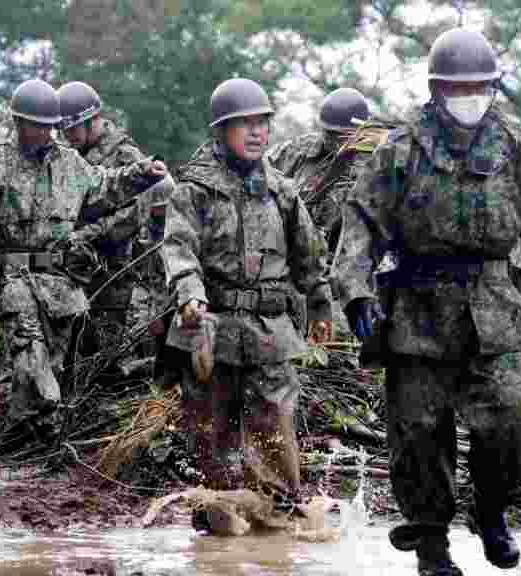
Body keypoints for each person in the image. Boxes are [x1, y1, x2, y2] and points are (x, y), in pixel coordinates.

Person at [331, 28, 521, 576]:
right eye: (457, 88)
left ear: (493, 87)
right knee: (418, 433)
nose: (469, 96)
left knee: (511, 423)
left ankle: (490, 512)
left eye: (479, 87)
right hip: (418, 309)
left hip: (497, 307)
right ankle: (431, 540)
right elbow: (360, 227)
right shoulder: (399, 150)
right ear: (437, 89)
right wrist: (356, 291)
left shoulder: (518, 148)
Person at [0, 78, 167, 444]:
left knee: (51, 369)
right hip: (13, 279)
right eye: (37, 125)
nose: (45, 133)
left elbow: (105, 186)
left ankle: (22, 440)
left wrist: (142, 175)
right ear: (18, 123)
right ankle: (42, 434)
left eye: (50, 125)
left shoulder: (70, 163)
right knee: (33, 362)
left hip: (60, 283)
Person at [160, 78, 332, 498]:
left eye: (263, 123)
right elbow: (179, 248)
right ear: (221, 131)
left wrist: (321, 306)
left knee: (273, 432)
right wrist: (189, 293)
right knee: (209, 440)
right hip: (208, 330)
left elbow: (308, 255)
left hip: (269, 331)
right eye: (245, 124)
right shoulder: (194, 189)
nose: (257, 133)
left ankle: (277, 527)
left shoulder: (282, 191)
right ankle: (218, 522)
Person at [58, 81, 147, 352]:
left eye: (72, 128)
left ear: (92, 121)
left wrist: (83, 236)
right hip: (73, 273)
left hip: (112, 277)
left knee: (103, 360)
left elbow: (133, 214)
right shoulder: (71, 156)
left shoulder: (126, 155)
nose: (67, 135)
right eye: (63, 129)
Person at [267, 87, 376, 251]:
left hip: (346, 257)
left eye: (343, 135)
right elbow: (261, 170)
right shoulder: (299, 149)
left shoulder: (374, 163)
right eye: (330, 133)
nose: (335, 141)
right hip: (291, 248)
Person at [126, 174, 179, 382]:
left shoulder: (178, 229)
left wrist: (159, 314)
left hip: (174, 307)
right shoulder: (147, 228)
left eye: (156, 207)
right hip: (149, 301)